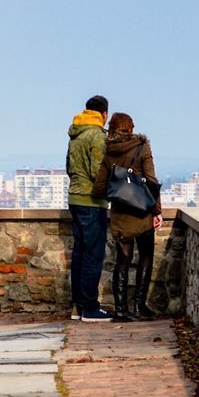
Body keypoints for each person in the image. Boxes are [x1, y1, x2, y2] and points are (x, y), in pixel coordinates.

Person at [93, 112, 163, 322]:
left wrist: (118, 191)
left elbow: (99, 188)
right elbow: (151, 180)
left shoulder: (109, 151)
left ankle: (121, 309)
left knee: (122, 261)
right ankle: (140, 305)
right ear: (131, 128)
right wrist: (157, 210)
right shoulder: (142, 147)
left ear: (112, 128)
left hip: (121, 213)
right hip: (142, 211)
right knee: (145, 257)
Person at [66, 95, 112, 322]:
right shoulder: (97, 136)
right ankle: (90, 307)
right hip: (91, 201)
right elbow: (98, 172)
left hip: (74, 198)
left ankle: (77, 306)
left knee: (79, 254)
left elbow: (68, 167)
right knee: (93, 256)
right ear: (104, 114)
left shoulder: (75, 134)